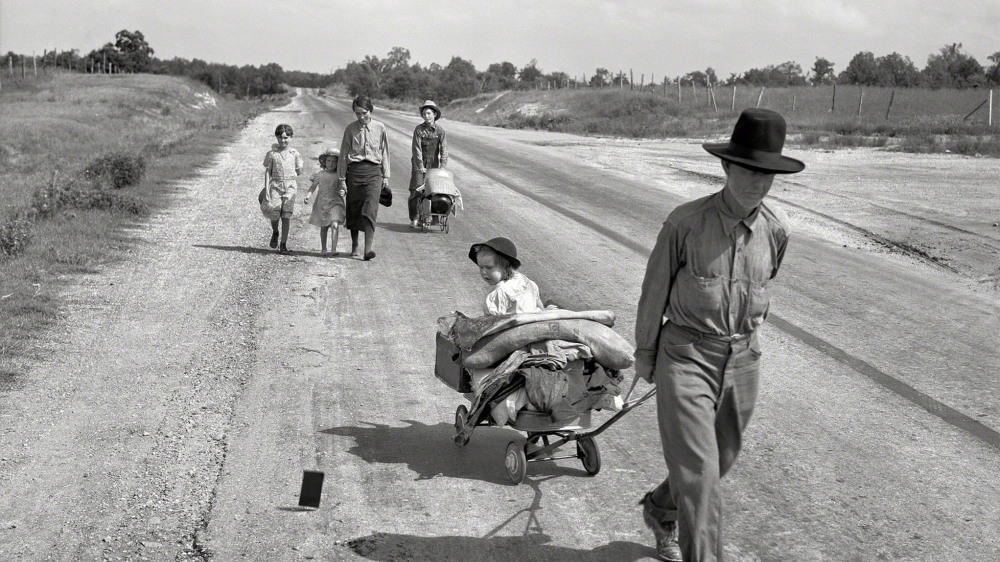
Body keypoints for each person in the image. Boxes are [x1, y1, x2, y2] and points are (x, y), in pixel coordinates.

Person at [633, 108, 804, 562]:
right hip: (686, 356)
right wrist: (646, 354)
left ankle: (661, 508)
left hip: (743, 361)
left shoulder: (776, 230)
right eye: (748, 169)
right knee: (702, 475)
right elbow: (654, 293)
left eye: (766, 173)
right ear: (726, 166)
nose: (757, 182)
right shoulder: (684, 223)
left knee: (721, 459)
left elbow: (764, 284)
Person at [337, 95, 390, 261]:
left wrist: (386, 175)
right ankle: (355, 244)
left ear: (370, 110)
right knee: (354, 209)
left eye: (364, 113)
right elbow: (344, 155)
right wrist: (341, 179)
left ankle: (368, 249)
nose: (361, 117)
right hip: (354, 172)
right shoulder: (350, 129)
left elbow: (385, 152)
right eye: (357, 113)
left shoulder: (380, 128)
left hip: (374, 173)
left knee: (370, 209)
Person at [468, 237, 544, 316]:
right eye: (481, 267)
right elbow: (540, 306)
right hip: (534, 323)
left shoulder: (498, 293)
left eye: (489, 267)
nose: (483, 272)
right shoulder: (525, 281)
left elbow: (491, 323)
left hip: (514, 327)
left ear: (506, 266)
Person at [261, 124, 303, 254]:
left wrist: (293, 175)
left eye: (286, 138)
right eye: (280, 138)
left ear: (291, 137)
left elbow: (299, 170)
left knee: (286, 215)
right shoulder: (272, 154)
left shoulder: (294, 154)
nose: (283, 141)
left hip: (290, 187)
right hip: (275, 186)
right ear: (276, 137)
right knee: (274, 212)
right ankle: (275, 231)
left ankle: (283, 244)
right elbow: (268, 171)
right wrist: (267, 188)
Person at [408, 100, 448, 228]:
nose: (426, 116)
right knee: (416, 189)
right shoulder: (419, 130)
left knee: (435, 190)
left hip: (434, 164)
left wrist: (442, 167)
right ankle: (414, 218)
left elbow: (444, 149)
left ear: (435, 114)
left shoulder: (440, 131)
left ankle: (435, 217)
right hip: (418, 163)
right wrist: (420, 166)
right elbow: (416, 149)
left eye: (429, 113)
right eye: (424, 113)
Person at [303, 148, 346, 256]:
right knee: (324, 227)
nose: (331, 164)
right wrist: (308, 196)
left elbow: (343, 187)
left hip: (335, 202)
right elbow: (312, 187)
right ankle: (324, 248)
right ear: (324, 162)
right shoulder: (320, 175)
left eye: (334, 161)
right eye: (329, 161)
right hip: (322, 203)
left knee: (334, 224)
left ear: (338, 163)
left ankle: (334, 249)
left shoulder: (340, 176)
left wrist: (343, 191)